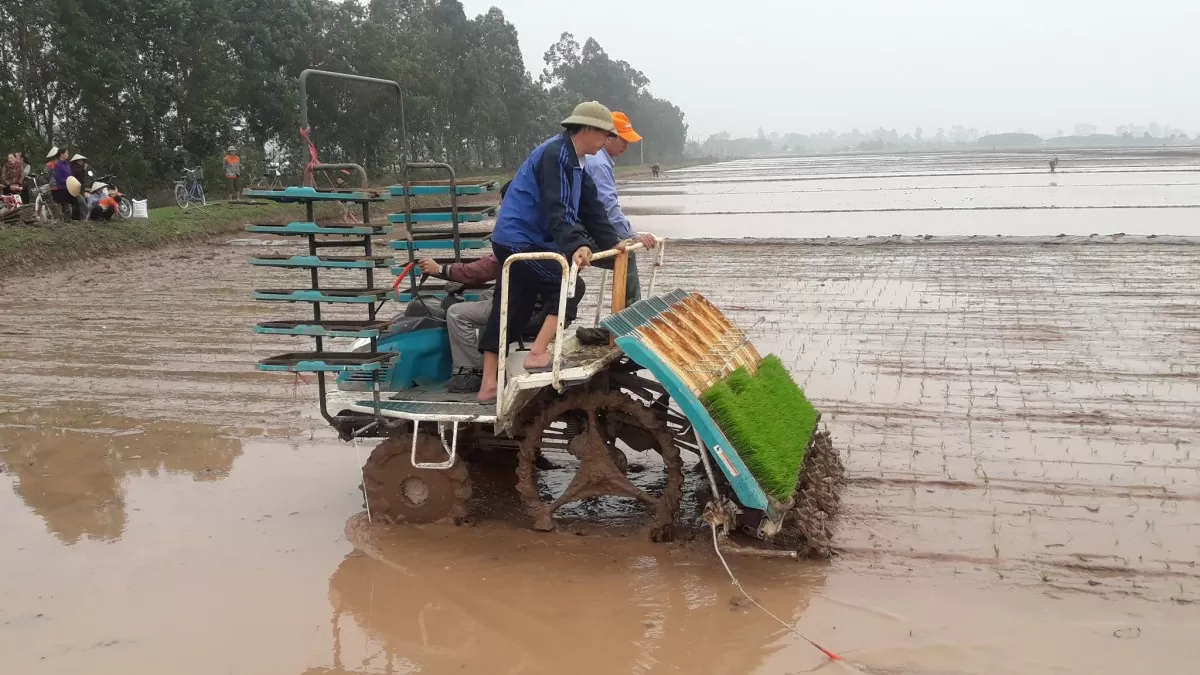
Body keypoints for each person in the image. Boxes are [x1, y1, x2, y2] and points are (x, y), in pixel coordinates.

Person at [476, 101, 624, 401]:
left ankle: (488, 385)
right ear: (588, 129)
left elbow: (591, 208)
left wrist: (613, 244)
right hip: (518, 240)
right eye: (605, 134)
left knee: (511, 308)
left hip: (528, 240)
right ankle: (537, 353)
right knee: (569, 286)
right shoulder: (556, 155)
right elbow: (558, 208)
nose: (607, 140)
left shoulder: (577, 160)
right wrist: (576, 245)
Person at [417, 182, 585, 393]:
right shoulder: (550, 229)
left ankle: (474, 372)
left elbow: (484, 269)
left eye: (502, 202)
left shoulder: (519, 233)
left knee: (455, 313)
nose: (500, 206)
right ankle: (489, 374)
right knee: (484, 298)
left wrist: (441, 270)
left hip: (530, 306)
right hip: (544, 303)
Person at [584, 111, 658, 308]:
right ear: (608, 136)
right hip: (580, 229)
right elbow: (607, 206)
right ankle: (631, 318)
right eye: (623, 140)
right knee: (625, 253)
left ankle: (622, 317)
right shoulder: (599, 163)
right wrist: (631, 235)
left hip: (581, 225)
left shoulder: (596, 159)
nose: (626, 145)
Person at [51, 148, 74, 219]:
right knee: (61, 203)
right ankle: (60, 218)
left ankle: (68, 218)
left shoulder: (67, 164)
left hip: (69, 187)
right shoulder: (57, 164)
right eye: (66, 153)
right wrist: (65, 181)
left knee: (68, 203)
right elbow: (57, 176)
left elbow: (70, 174)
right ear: (61, 154)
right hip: (61, 187)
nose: (67, 155)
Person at [69, 154, 88, 220]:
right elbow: (81, 177)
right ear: (77, 161)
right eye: (80, 160)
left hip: (78, 188)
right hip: (76, 189)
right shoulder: (77, 169)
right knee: (82, 204)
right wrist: (84, 169)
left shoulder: (73, 168)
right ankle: (82, 218)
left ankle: (79, 218)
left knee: (78, 204)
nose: (82, 161)